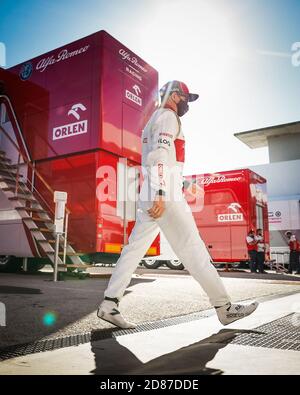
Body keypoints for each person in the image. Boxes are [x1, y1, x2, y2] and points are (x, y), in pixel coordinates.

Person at [97, 81, 258, 329]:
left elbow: (162, 160)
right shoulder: (168, 116)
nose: (186, 104)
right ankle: (224, 308)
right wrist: (163, 191)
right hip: (165, 194)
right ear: (174, 96)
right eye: (185, 98)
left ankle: (109, 304)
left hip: (155, 189)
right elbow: (159, 155)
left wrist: (178, 184)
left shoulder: (155, 119)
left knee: (133, 250)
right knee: (194, 250)